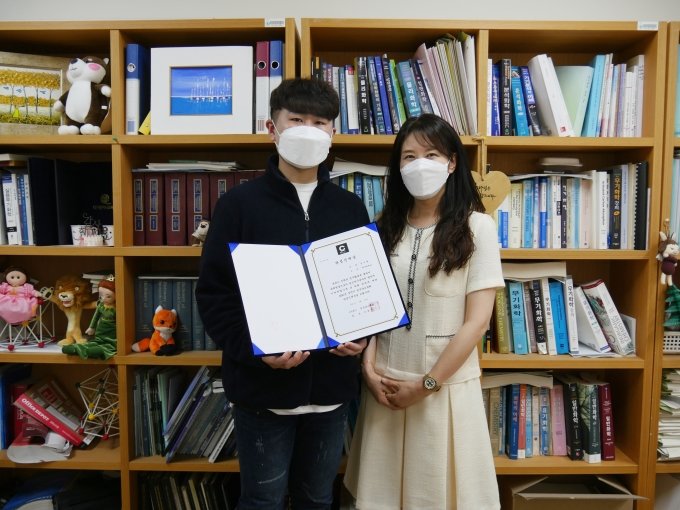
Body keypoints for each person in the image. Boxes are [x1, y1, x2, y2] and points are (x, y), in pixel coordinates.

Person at [196, 78, 370, 510]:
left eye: (320, 122)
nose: (308, 130)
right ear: (271, 128)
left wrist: (362, 336)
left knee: (318, 498)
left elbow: (363, 287)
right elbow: (215, 294)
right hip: (262, 393)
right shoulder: (238, 205)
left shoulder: (350, 208)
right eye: (296, 119)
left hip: (331, 392)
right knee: (261, 501)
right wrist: (256, 351)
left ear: (333, 132)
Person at [344, 113, 504, 509]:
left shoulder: (478, 227)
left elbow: (477, 322)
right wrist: (368, 370)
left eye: (431, 155)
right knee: (382, 497)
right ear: (398, 167)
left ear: (452, 162)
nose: (420, 165)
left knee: (440, 496)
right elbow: (372, 308)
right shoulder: (383, 226)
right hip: (386, 387)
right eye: (409, 156)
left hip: (443, 390)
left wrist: (428, 384)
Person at [62, 275, 117, 359]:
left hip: (111, 338)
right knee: (93, 343)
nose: (103, 299)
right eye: (101, 295)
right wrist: (92, 327)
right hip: (100, 334)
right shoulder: (101, 305)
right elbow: (96, 316)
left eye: (108, 296)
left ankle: (89, 351)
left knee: (102, 348)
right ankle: (76, 348)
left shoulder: (116, 308)